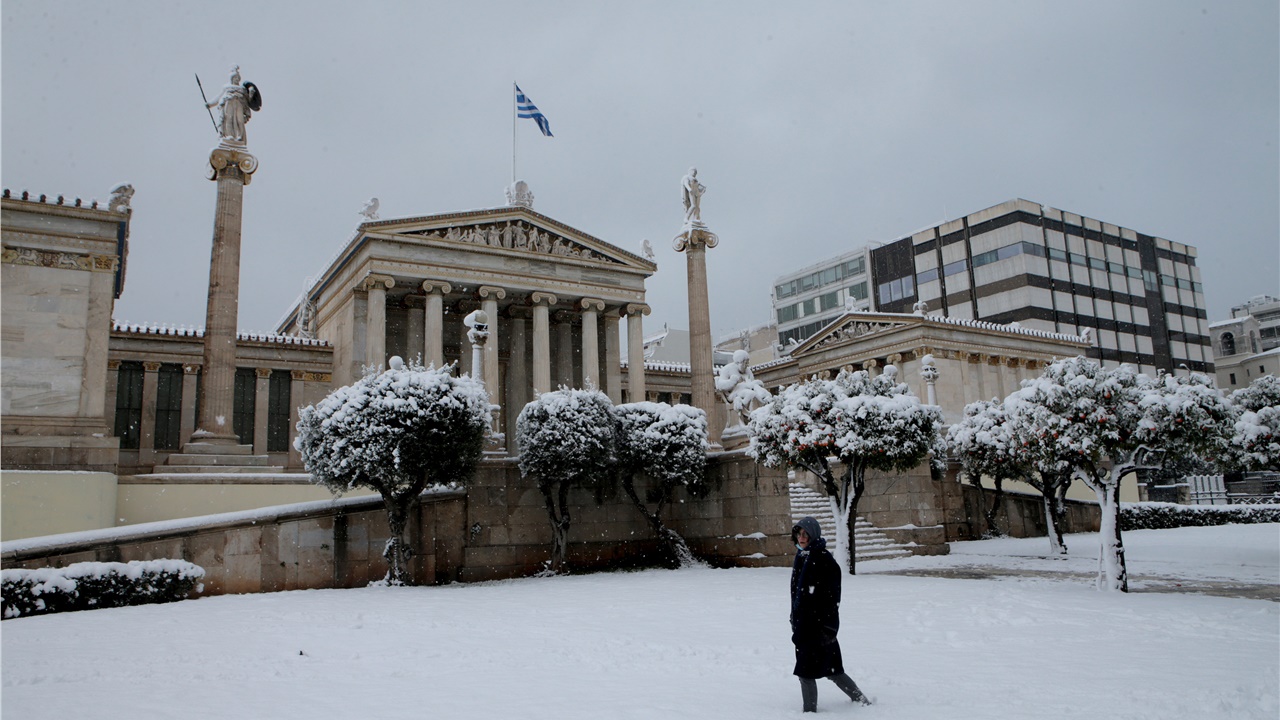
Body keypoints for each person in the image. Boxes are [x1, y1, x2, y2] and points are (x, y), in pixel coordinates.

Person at [790, 516, 872, 712]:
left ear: (813, 535)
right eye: (799, 534)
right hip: (804, 626)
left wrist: (828, 627)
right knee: (829, 669)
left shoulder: (823, 560)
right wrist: (795, 617)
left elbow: (832, 599)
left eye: (805, 534)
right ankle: (861, 701)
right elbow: (798, 595)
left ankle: (810, 712)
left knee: (812, 671)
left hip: (819, 628)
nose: (801, 538)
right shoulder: (802, 557)